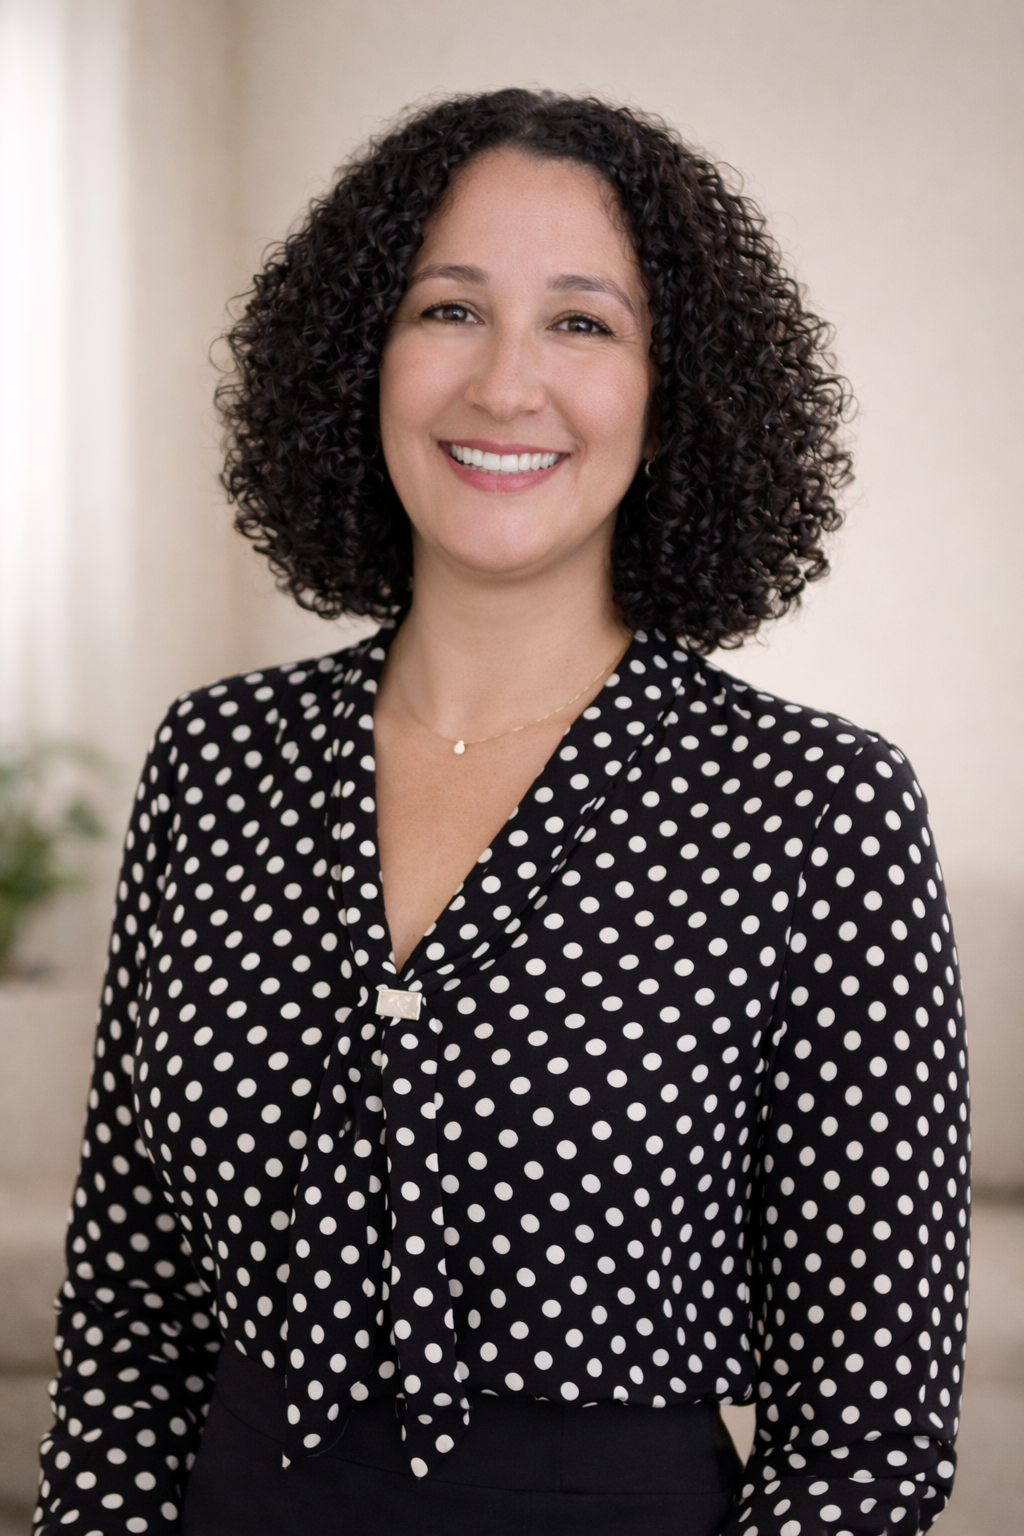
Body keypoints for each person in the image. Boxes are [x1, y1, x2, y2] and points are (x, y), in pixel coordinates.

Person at [36, 90, 968, 1536]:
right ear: (362, 360)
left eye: (583, 323)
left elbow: (867, 1434)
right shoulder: (214, 761)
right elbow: (127, 1323)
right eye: (449, 311)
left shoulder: (814, 807)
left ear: (677, 398)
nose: (505, 384)